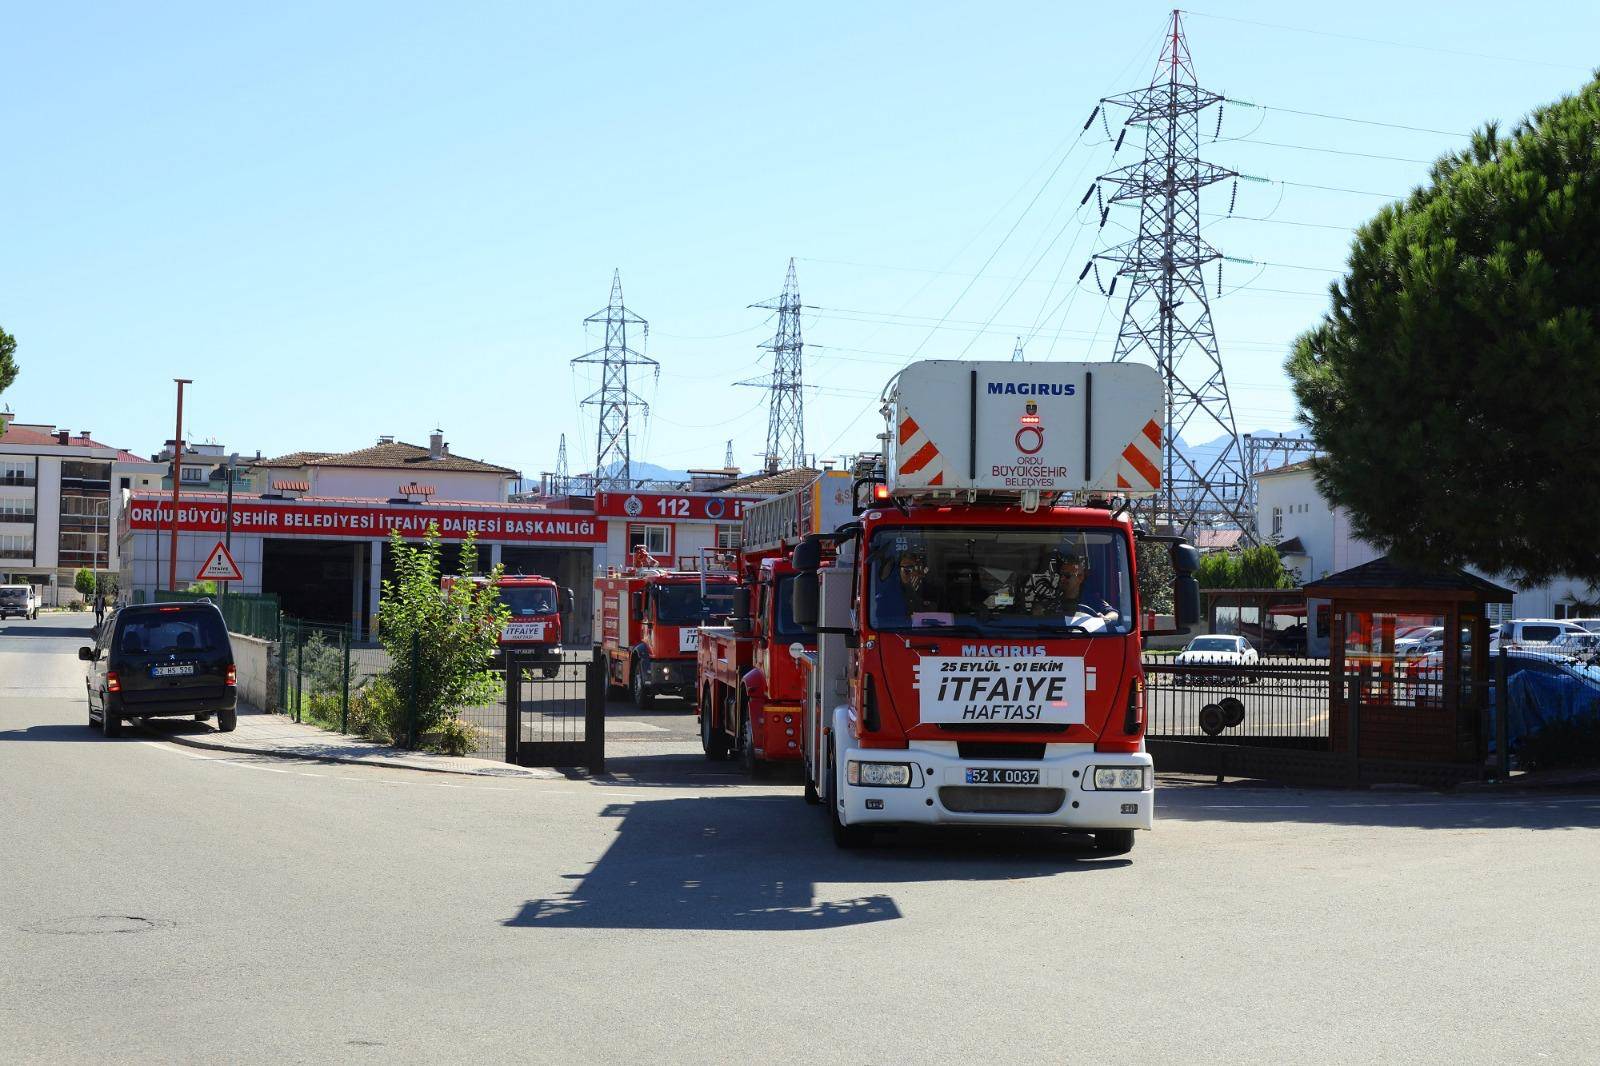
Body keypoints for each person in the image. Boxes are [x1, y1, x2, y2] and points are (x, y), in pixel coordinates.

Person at [1022, 549, 1117, 627]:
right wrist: (1037, 613)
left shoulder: (1091, 599)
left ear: (1080, 578)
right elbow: (1036, 618)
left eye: (1067, 576)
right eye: (1060, 575)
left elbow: (1114, 614)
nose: (1062, 578)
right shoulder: (1050, 597)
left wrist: (1104, 619)